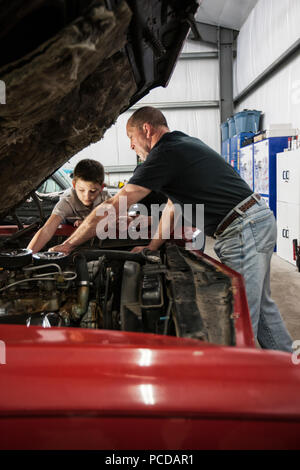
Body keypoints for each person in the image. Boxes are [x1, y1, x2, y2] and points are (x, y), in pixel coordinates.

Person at [50, 106, 292, 352]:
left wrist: (70, 244)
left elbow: (115, 204)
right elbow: (171, 206)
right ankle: (289, 371)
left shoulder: (164, 153)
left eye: (130, 139)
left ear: (146, 129)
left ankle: (239, 382)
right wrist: (152, 246)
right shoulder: (182, 145)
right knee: (261, 307)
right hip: (253, 220)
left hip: (242, 227)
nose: (131, 146)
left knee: (240, 318)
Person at [27, 159, 110, 253]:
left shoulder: (106, 197)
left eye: (93, 191)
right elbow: (47, 229)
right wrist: (27, 255)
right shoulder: (68, 199)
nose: (87, 196)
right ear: (74, 185)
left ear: (102, 187)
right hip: (68, 222)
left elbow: (116, 218)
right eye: (81, 190)